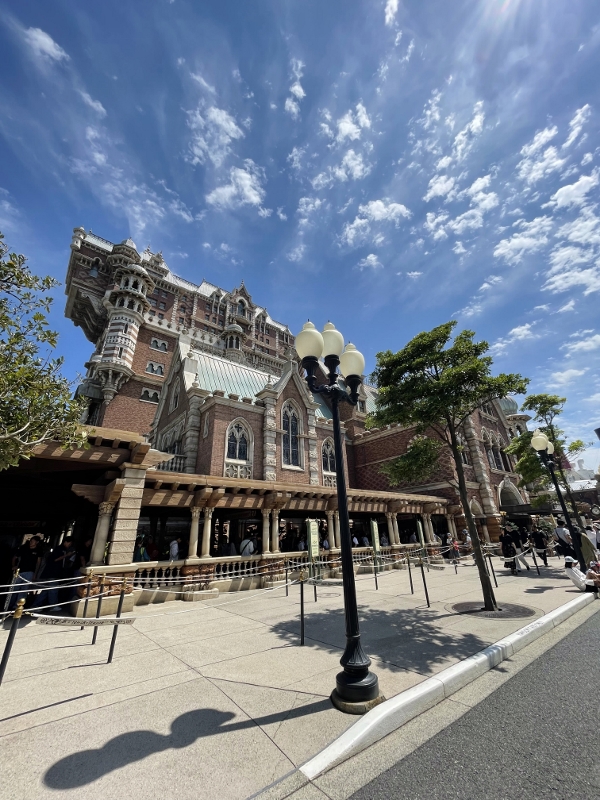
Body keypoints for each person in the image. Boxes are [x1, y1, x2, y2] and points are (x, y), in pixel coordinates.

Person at [9, 535, 43, 610]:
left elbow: (38, 563)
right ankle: (9, 605)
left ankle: (17, 606)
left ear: (37, 542)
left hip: (30, 572)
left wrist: (35, 574)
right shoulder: (24, 548)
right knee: (14, 589)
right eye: (30, 541)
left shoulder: (38, 551)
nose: (31, 542)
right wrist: (14, 566)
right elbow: (15, 557)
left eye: (33, 541)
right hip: (20, 571)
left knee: (24, 590)